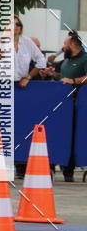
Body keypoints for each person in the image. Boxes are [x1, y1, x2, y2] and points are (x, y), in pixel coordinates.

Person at [45, 31, 87, 182]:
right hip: (62, 106)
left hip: (78, 107)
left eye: (65, 44)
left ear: (74, 45)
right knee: (60, 136)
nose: (63, 48)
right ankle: (57, 167)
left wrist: (74, 80)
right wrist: (52, 74)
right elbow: (64, 80)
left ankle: (69, 170)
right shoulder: (66, 61)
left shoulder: (85, 58)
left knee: (73, 138)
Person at [13, 16, 46, 86]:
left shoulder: (27, 41)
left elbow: (42, 60)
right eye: (12, 24)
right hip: (4, 86)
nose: (16, 26)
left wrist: (28, 77)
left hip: (21, 85)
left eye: (18, 24)